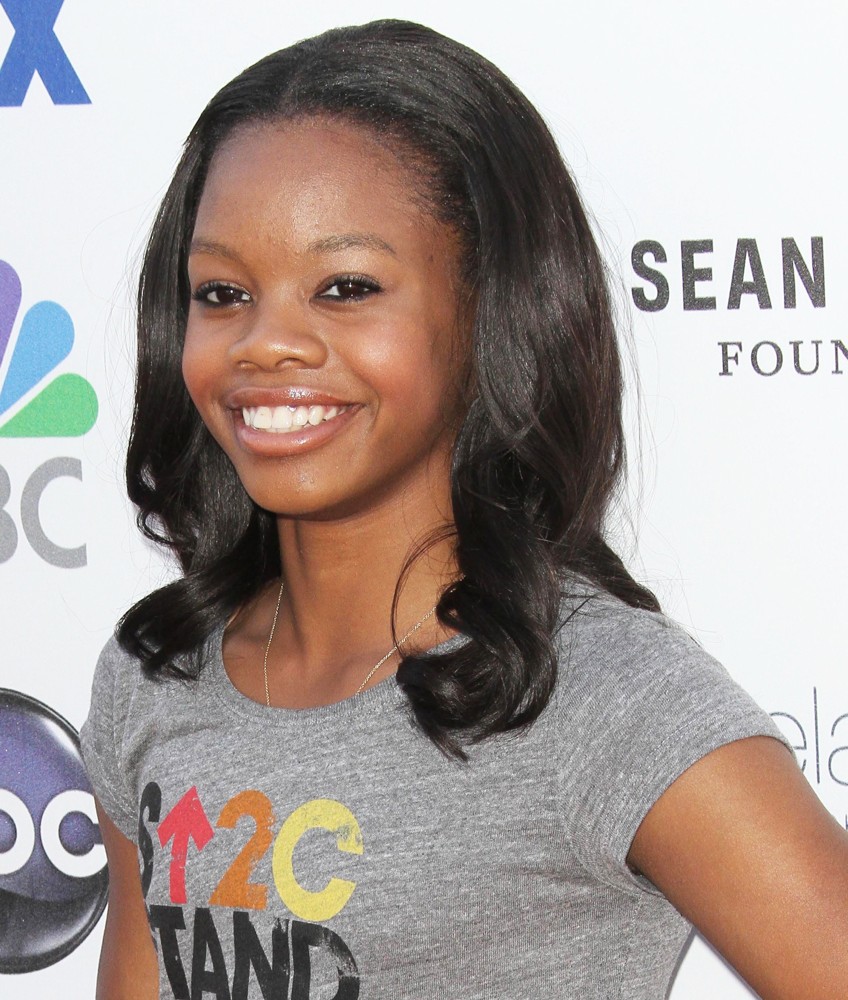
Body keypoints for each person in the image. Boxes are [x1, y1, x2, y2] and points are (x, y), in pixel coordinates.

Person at [80, 19, 848, 1000]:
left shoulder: (596, 695)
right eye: (223, 291)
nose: (267, 341)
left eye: (344, 286)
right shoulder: (156, 676)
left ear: (491, 307)